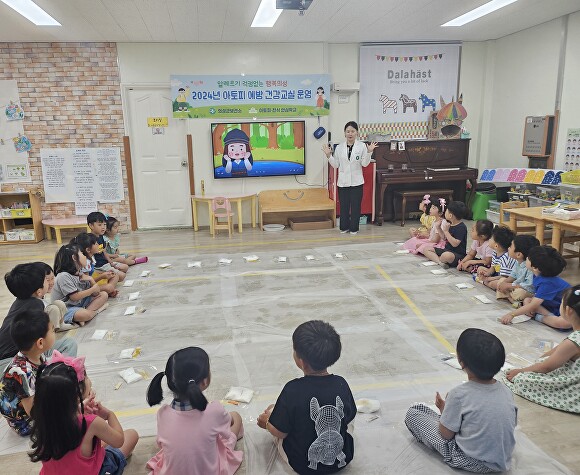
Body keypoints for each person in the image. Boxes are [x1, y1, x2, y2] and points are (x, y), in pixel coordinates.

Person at [405, 328, 517, 473]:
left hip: (471, 460)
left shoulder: (459, 395)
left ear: (461, 362)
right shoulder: (506, 392)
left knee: (415, 413)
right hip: (502, 457)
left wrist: (445, 412)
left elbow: (446, 435)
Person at [257, 320, 356, 474]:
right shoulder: (341, 384)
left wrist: (268, 423)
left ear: (301, 362)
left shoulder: (292, 390)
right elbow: (348, 417)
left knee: (273, 412)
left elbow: (280, 432)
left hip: (303, 465)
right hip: (341, 460)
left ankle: (272, 415)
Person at [28, 353, 139, 474]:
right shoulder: (91, 422)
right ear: (78, 392)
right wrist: (109, 415)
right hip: (94, 470)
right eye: (85, 376)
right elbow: (119, 441)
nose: (88, 379)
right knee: (132, 435)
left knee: (94, 442)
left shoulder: (43, 420)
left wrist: (79, 409)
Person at [146, 347, 243, 475]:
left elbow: (160, 444)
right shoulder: (214, 410)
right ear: (204, 381)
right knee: (235, 417)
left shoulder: (162, 413)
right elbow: (226, 433)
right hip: (209, 470)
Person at [503, 285, 580, 413]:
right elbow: (559, 350)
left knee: (522, 380)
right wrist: (544, 357)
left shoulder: (573, 341)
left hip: (575, 386)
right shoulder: (574, 336)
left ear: (568, 311)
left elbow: (546, 367)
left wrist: (521, 371)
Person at [0, 263, 77, 370]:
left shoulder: (20, 302)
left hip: (18, 354)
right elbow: (36, 344)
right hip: (11, 361)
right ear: (39, 291)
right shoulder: (35, 306)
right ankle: (61, 377)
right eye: (46, 280)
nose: (50, 282)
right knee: (66, 347)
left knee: (68, 343)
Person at [0, 310, 55, 435]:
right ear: (40, 342)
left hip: (34, 401)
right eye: (52, 330)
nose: (54, 332)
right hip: (24, 422)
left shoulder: (35, 356)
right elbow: (33, 412)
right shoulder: (22, 372)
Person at [323, 122, 378, 235]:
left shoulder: (362, 146)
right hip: (343, 182)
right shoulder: (339, 148)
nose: (350, 134)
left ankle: (354, 228)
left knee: (355, 206)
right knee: (344, 206)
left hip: (357, 182)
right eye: (348, 131)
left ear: (357, 133)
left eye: (352, 131)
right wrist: (329, 156)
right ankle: (344, 227)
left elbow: (364, 164)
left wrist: (369, 152)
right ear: (344, 133)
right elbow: (336, 165)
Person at [500, 245, 571, 329]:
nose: (526, 259)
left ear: (535, 267)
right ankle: (550, 316)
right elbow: (535, 297)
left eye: (528, 258)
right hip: (552, 306)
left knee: (565, 323)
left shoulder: (548, 283)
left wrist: (512, 314)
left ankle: (539, 317)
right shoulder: (538, 275)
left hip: (567, 311)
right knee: (527, 300)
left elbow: (533, 305)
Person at [52, 244, 109, 326]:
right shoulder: (63, 276)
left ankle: (85, 315)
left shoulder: (79, 272)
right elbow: (74, 297)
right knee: (85, 315)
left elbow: (96, 293)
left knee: (104, 295)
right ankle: (95, 312)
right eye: (82, 254)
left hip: (78, 304)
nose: (85, 256)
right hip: (65, 308)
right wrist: (92, 289)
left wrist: (91, 280)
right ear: (74, 258)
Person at [71, 232, 119, 297]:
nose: (98, 245)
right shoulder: (85, 262)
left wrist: (105, 273)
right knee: (109, 287)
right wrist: (102, 276)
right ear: (88, 250)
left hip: (92, 281)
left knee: (115, 276)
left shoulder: (91, 257)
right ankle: (108, 291)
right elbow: (86, 284)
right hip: (86, 287)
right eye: (96, 244)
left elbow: (93, 273)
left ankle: (109, 290)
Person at [496, 235, 540, 306]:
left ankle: (510, 299)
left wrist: (509, 285)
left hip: (526, 290)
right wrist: (504, 283)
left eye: (510, 246)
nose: (508, 248)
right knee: (501, 281)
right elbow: (512, 276)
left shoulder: (531, 267)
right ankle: (511, 299)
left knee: (520, 293)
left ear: (519, 254)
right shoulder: (517, 262)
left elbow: (527, 286)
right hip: (515, 286)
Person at [421, 201, 468, 268]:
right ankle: (440, 262)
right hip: (446, 250)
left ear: (450, 215)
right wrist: (439, 228)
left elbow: (455, 244)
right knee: (426, 249)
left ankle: (439, 259)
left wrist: (446, 231)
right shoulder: (450, 224)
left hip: (457, 254)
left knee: (446, 256)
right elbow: (444, 238)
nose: (444, 213)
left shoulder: (461, 227)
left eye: (446, 211)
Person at [87, 211, 127, 281]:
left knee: (125, 267)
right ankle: (101, 274)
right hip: (99, 266)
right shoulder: (89, 239)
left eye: (104, 225)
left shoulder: (101, 236)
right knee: (122, 276)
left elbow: (104, 251)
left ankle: (107, 273)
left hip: (105, 263)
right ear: (91, 226)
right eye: (99, 225)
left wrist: (110, 261)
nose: (103, 227)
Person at [476, 225, 516, 290]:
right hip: (497, 274)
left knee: (494, 283)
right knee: (480, 269)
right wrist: (487, 273)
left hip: (504, 278)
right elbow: (493, 267)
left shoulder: (506, 258)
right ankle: (485, 281)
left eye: (491, 238)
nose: (489, 239)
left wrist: (489, 279)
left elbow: (504, 277)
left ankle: (485, 282)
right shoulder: (495, 252)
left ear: (496, 246)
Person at [38, 262, 74, 332]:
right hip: (43, 331)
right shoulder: (34, 300)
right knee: (53, 309)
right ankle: (51, 332)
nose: (51, 283)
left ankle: (60, 325)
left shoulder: (42, 295)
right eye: (47, 280)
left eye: (52, 278)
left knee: (59, 303)